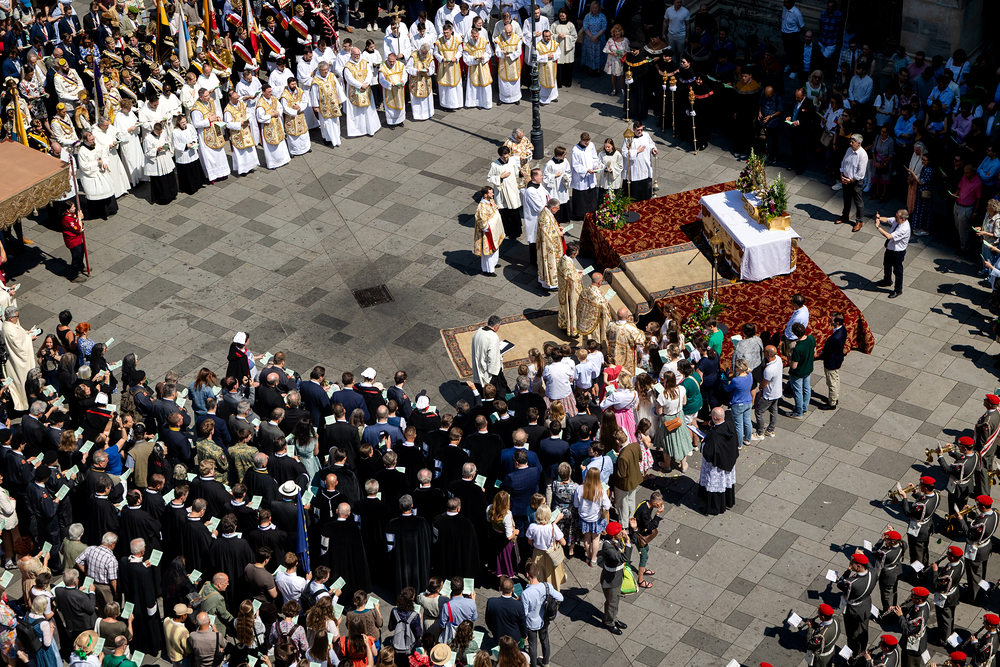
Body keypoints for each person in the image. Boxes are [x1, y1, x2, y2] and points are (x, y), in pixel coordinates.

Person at [698, 408, 739, 515]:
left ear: (714, 417)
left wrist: (703, 442)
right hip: (728, 460)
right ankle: (728, 502)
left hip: (717, 466)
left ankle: (714, 508)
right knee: (725, 483)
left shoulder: (714, 435)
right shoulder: (730, 425)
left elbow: (708, 453)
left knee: (715, 486)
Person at [598, 520, 630, 635]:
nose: (623, 532)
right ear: (613, 535)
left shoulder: (616, 539)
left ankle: (614, 618)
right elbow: (623, 558)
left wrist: (634, 529)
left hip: (617, 575)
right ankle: (609, 623)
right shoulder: (608, 547)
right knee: (611, 602)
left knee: (616, 599)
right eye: (620, 532)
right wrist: (627, 541)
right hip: (610, 579)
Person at [836, 133, 868, 232]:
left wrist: (851, 180)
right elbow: (843, 162)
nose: (850, 143)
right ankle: (845, 215)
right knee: (846, 199)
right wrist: (842, 174)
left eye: (852, 142)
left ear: (859, 143)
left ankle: (859, 221)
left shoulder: (862, 155)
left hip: (855, 182)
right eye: (850, 141)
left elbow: (861, 173)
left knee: (858, 201)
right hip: (846, 179)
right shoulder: (849, 150)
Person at [470, 316, 509, 397]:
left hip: (478, 365)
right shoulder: (493, 337)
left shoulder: (478, 332)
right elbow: (493, 358)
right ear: (496, 326)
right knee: (493, 391)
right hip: (487, 371)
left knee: (480, 388)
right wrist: (492, 373)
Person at [786, 322, 815, 419]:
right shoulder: (811, 338)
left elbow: (794, 366)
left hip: (798, 373)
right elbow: (814, 350)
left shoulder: (798, 349)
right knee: (807, 388)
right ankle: (804, 407)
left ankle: (799, 412)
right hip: (808, 369)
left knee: (798, 392)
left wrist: (792, 355)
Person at [818, 314, 847, 411]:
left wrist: (822, 355)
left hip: (832, 361)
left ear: (837, 323)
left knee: (832, 382)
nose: (830, 321)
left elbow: (829, 350)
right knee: (835, 378)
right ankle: (834, 397)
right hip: (837, 359)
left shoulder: (835, 338)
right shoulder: (843, 329)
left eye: (832, 320)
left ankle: (832, 403)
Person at [577, 273, 613, 347]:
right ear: (599, 282)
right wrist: (606, 303)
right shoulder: (599, 296)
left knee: (587, 339)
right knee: (594, 340)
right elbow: (605, 312)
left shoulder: (585, 290)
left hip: (585, 320)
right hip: (594, 324)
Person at [623, 122, 657, 201]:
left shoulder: (646, 135)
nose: (640, 132)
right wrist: (637, 151)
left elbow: (651, 144)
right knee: (636, 194)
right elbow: (624, 152)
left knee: (646, 192)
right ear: (634, 129)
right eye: (638, 130)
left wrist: (653, 149)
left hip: (645, 167)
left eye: (641, 129)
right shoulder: (629, 139)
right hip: (636, 169)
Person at [570, 133, 599, 220]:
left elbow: (594, 157)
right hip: (581, 178)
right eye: (585, 142)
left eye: (588, 141)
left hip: (591, 175)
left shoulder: (591, 145)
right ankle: (580, 214)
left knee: (591, 194)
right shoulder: (575, 150)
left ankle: (591, 211)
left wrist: (595, 166)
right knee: (582, 197)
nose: (587, 143)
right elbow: (575, 165)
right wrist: (586, 170)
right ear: (581, 140)